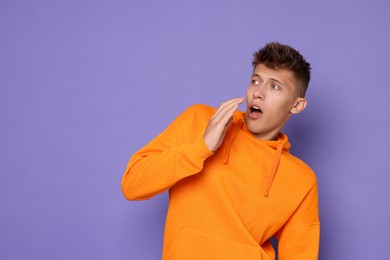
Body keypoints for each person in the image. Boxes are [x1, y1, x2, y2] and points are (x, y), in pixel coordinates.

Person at [122, 42, 320, 260]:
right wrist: (202, 148)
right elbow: (132, 184)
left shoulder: (301, 180)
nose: (258, 93)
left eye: (274, 87)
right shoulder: (199, 120)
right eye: (255, 81)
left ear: (297, 105)